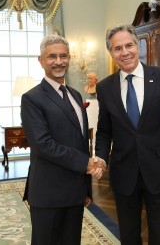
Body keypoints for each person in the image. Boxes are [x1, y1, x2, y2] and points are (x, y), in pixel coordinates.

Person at [95, 24, 160, 245]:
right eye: (118, 48)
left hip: (159, 170)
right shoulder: (105, 87)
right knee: (128, 234)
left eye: (129, 45)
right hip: (123, 172)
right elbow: (104, 130)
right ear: (111, 53)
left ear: (137, 47)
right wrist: (100, 156)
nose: (125, 52)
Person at [21, 35, 106, 245]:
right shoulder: (32, 98)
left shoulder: (76, 95)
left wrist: (86, 189)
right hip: (48, 193)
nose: (58, 61)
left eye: (63, 56)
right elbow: (43, 145)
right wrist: (86, 163)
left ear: (69, 59)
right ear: (40, 60)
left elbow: (80, 142)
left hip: (75, 192)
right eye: (52, 56)